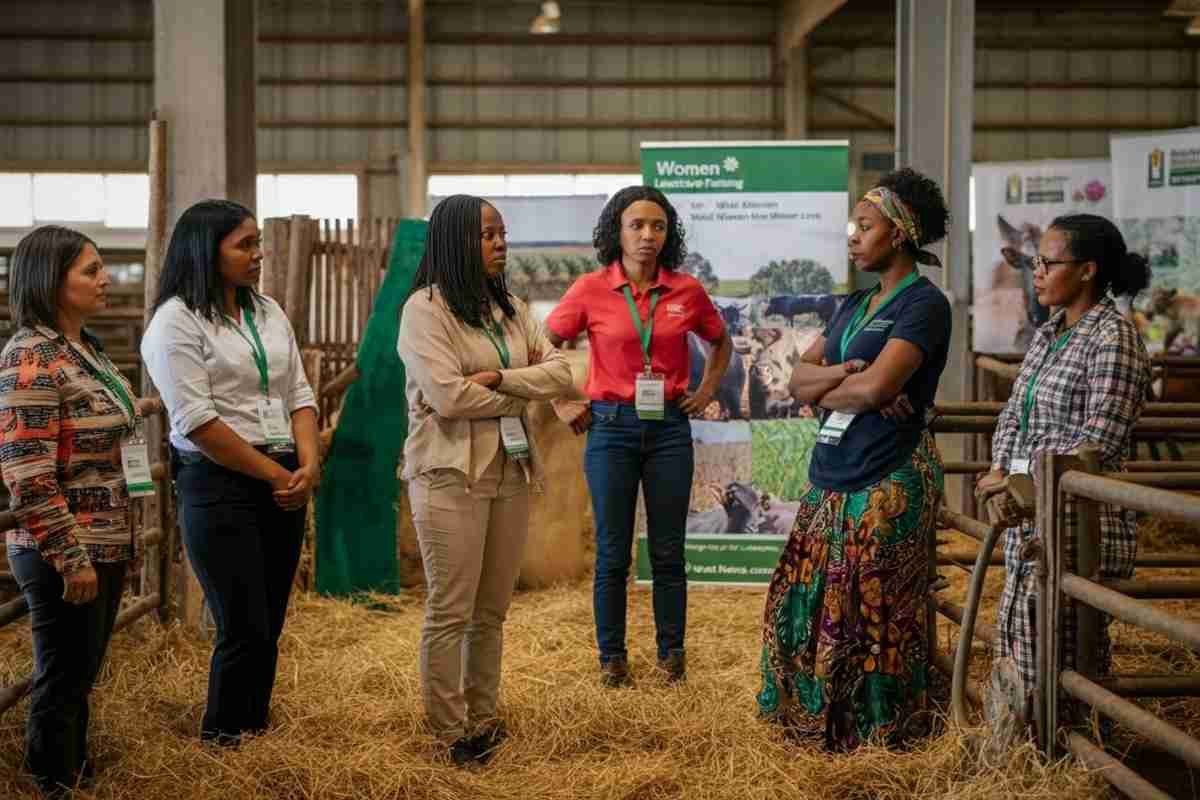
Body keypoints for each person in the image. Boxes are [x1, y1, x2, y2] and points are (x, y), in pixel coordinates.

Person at [757, 168, 952, 751]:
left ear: (900, 233)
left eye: (864, 226)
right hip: (832, 473)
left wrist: (841, 390)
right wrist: (843, 376)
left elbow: (877, 391)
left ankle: (880, 735)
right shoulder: (856, 304)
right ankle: (817, 723)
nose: (852, 236)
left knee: (875, 608)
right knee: (804, 596)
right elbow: (796, 381)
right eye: (852, 226)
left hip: (887, 475)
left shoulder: (924, 305)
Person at [397, 195, 573, 766]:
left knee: (492, 612)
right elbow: (446, 394)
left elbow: (562, 372)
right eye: (487, 235)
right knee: (451, 609)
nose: (500, 243)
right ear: (454, 242)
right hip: (449, 473)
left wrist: (499, 376)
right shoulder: (423, 311)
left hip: (511, 470)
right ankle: (448, 732)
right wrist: (522, 387)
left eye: (502, 233)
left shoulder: (514, 308)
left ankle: (483, 719)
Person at [141, 200, 319, 746]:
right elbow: (197, 422)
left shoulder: (267, 311)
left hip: (284, 474)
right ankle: (222, 739)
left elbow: (299, 392)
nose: (258, 253)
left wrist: (307, 465)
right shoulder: (174, 322)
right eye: (244, 244)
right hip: (221, 481)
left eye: (258, 241)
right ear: (206, 251)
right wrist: (275, 475)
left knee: (270, 619)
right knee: (241, 625)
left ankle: (255, 731)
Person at [545, 185, 732, 688]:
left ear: (668, 235)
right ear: (617, 231)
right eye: (636, 225)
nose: (647, 235)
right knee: (612, 551)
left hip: (670, 427)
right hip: (609, 428)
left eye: (658, 227)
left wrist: (707, 387)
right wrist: (563, 401)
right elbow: (544, 344)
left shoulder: (687, 291)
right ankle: (613, 660)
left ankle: (672, 657)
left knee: (669, 551)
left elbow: (720, 342)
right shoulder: (589, 289)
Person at [977, 213, 1151, 702]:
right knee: (1022, 640)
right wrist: (1001, 473)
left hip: (1079, 524)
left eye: (1048, 262)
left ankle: (1074, 758)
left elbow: (1099, 442)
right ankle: (1026, 751)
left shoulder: (1114, 339)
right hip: (1028, 515)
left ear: (1087, 270)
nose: (1037, 272)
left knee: (1067, 651)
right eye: (1036, 262)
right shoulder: (1048, 333)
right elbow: (1014, 413)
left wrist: (1019, 481)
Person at [0, 226, 142, 796]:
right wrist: (69, 555)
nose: (105, 279)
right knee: (61, 678)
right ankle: (51, 782)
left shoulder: (84, 348)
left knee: (80, 675)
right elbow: (27, 471)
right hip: (64, 547)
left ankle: (74, 774)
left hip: (103, 538)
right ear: (50, 281)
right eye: (91, 270)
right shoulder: (30, 358)